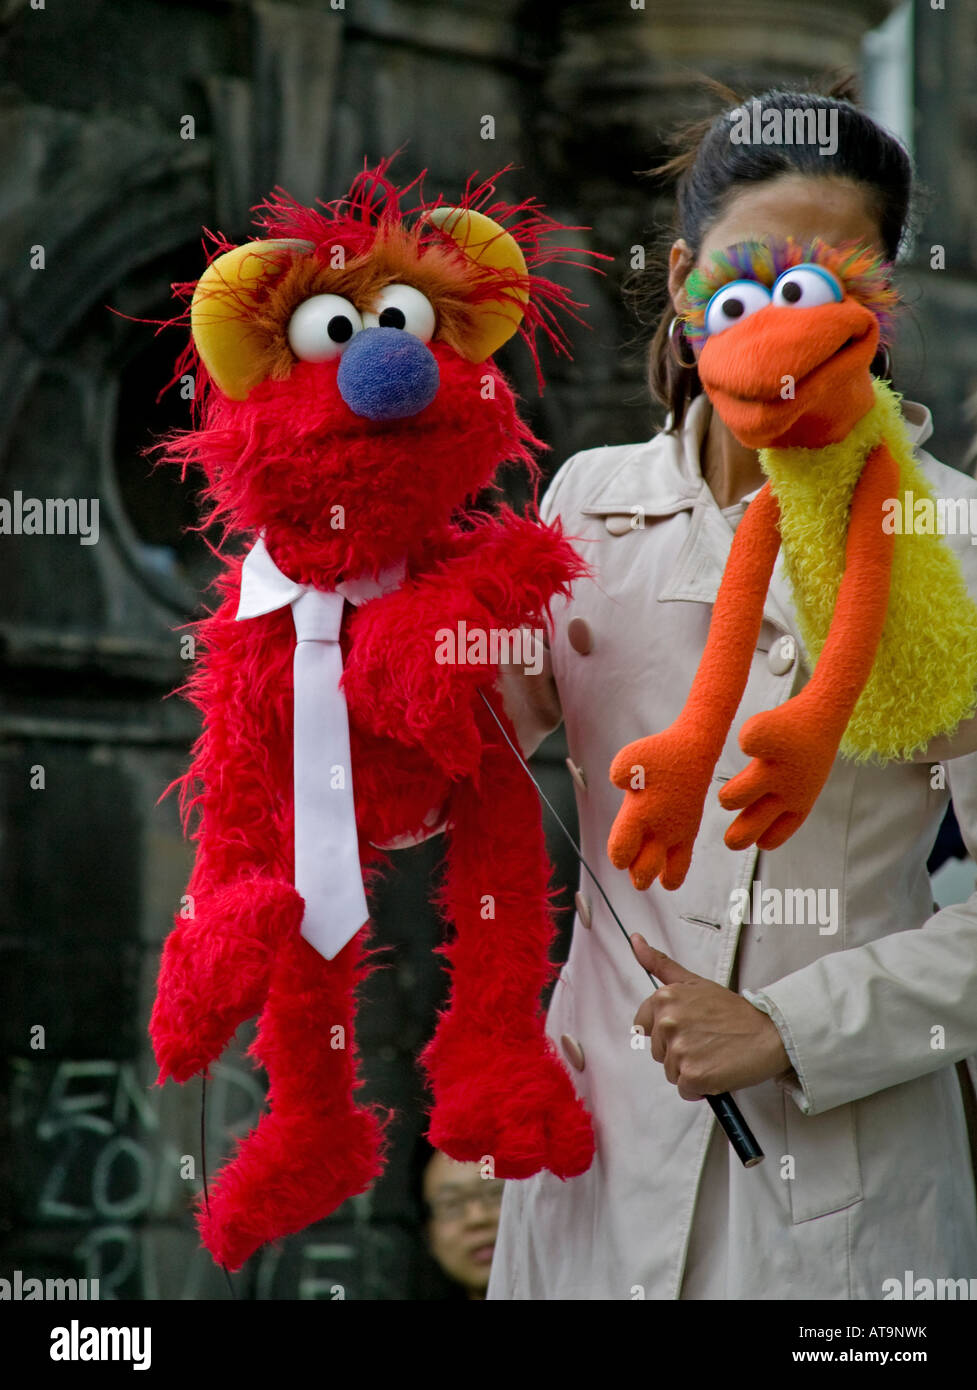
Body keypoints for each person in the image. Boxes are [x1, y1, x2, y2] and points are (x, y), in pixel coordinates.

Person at [486, 80, 977, 1300]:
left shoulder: (951, 536)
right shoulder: (583, 504)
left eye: (835, 273)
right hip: (593, 1160)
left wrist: (791, 1026)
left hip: (844, 1192)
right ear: (681, 276)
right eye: (753, 268)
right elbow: (451, 766)